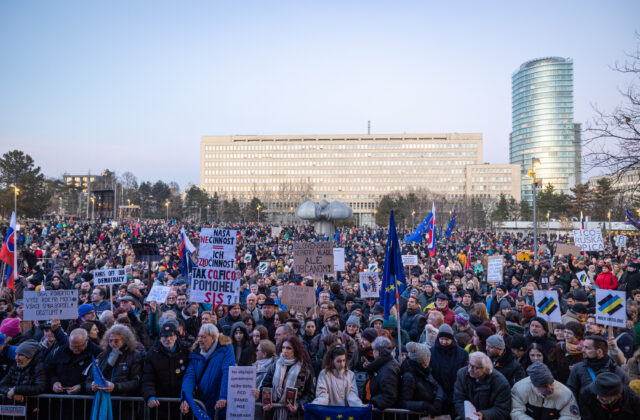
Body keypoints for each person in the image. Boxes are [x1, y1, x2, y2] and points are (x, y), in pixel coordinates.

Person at [181, 324, 235, 418]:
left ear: (213, 338)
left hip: (219, 404)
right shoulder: (195, 352)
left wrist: (223, 397)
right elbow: (189, 377)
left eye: (203, 337)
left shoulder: (226, 349)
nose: (200, 340)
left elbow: (227, 373)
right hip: (202, 402)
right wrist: (185, 399)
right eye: (199, 337)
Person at [141, 322, 190, 420]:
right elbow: (147, 379)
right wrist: (150, 395)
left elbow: (190, 377)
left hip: (181, 403)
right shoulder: (152, 354)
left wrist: (188, 397)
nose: (168, 339)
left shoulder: (186, 350)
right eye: (165, 336)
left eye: (171, 336)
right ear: (160, 338)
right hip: (160, 404)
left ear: (176, 336)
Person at [260, 336, 315, 419]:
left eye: (288, 348)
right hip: (273, 412)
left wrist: (298, 405)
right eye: (283, 347)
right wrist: (267, 401)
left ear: (295, 350)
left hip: (294, 415)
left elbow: (309, 394)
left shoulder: (305, 369)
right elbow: (266, 385)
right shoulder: (275, 365)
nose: (285, 351)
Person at [511, 362, 580, 420]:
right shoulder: (520, 388)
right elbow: (515, 411)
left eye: (551, 383)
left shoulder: (565, 393)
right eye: (544, 386)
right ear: (535, 385)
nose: (550, 388)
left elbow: (571, 416)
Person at [453, 352, 511, 420]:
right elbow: (458, 399)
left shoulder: (501, 383)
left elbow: (502, 410)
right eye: (469, 364)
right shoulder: (462, 374)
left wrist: (484, 415)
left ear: (485, 369)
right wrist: (466, 416)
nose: (470, 369)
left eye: (475, 368)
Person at [399, 342, 445, 417]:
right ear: (423, 360)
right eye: (428, 357)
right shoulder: (409, 376)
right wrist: (424, 405)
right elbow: (404, 402)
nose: (430, 359)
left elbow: (436, 385)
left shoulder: (425, 370)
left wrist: (438, 399)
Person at [0, 340, 47, 408]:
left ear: (30, 356)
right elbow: (2, 384)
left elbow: (40, 387)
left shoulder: (39, 367)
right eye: (16, 354)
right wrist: (11, 393)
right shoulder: (15, 366)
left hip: (31, 407)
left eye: (20, 355)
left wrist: (16, 389)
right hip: (12, 408)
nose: (16, 358)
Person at [364, 336, 399, 410]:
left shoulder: (387, 369)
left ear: (378, 352)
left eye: (373, 350)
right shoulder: (384, 365)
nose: (373, 352)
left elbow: (390, 395)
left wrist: (374, 403)